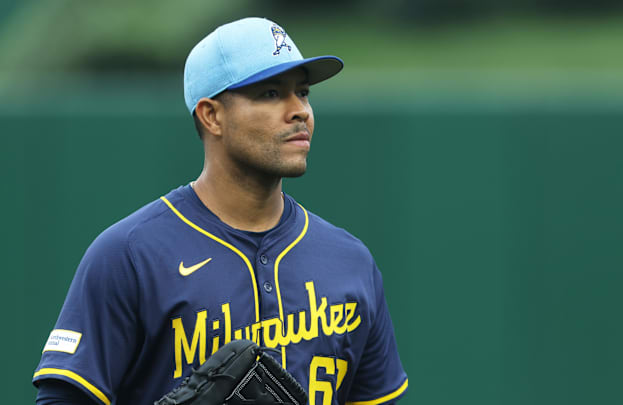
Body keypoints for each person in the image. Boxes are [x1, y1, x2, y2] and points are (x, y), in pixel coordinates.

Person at [32, 17, 408, 405]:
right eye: (271, 93)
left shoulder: (351, 262)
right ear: (212, 115)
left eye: (304, 92)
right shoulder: (129, 255)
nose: (300, 111)